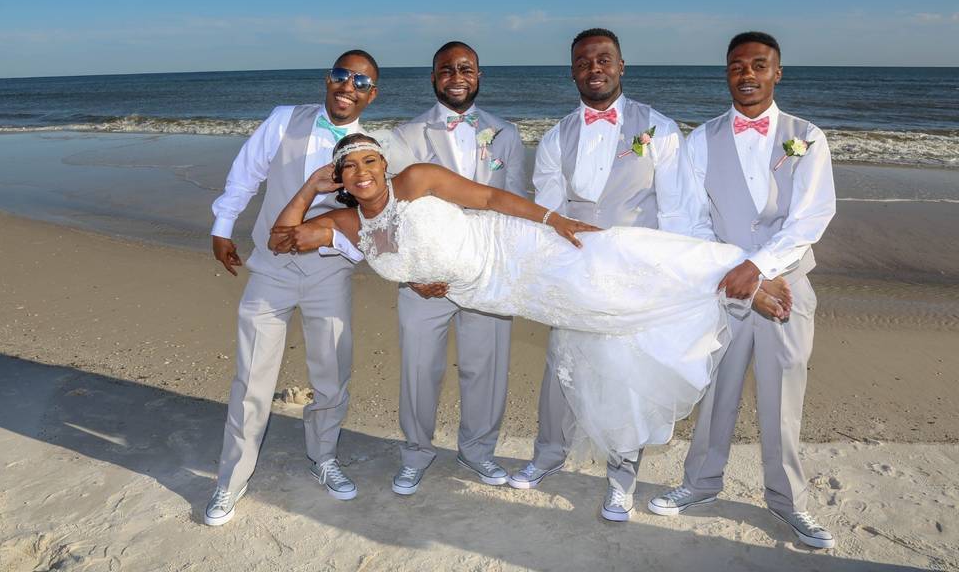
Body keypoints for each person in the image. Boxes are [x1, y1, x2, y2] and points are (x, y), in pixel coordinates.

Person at [269, 135, 793, 501]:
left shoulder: (417, 179)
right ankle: (730, 289)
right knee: (601, 311)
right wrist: (309, 189)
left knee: (617, 260)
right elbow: (280, 238)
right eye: (349, 167)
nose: (361, 173)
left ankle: (739, 276)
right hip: (498, 293)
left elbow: (491, 196)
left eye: (369, 162)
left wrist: (553, 218)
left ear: (385, 165)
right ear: (340, 177)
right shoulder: (345, 220)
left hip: (519, 249)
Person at [647, 31, 837, 550]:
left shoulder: (808, 136)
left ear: (778, 72)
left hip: (787, 289)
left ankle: (790, 504)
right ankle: (700, 484)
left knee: (782, 400)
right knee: (715, 393)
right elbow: (688, 218)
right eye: (737, 66)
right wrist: (741, 275)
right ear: (726, 73)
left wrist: (761, 268)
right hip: (724, 286)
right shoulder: (701, 139)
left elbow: (810, 217)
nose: (747, 74)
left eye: (759, 65)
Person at [519, 27, 689, 521]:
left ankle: (622, 477)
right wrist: (548, 273)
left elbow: (677, 209)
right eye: (584, 61)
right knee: (562, 365)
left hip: (636, 272)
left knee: (625, 376)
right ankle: (548, 455)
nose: (594, 68)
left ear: (621, 66)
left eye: (604, 59)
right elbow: (548, 213)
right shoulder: (555, 137)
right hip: (576, 270)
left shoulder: (659, 128)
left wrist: (667, 272)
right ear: (573, 70)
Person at [203, 50, 379, 526]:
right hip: (271, 267)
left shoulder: (376, 146)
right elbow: (247, 173)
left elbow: (377, 218)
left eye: (360, 81)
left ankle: (323, 458)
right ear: (328, 79)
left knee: (331, 374)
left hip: (331, 272)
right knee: (251, 378)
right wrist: (223, 226)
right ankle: (231, 479)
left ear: (371, 93)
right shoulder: (285, 120)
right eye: (342, 75)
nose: (349, 86)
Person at [378, 42, 526, 494]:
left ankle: (478, 451)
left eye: (466, 68)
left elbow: (516, 207)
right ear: (433, 77)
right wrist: (408, 274)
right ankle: (416, 453)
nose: (456, 76)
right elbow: (388, 215)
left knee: (486, 367)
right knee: (420, 370)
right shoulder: (405, 136)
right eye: (447, 69)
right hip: (425, 279)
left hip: (487, 275)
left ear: (479, 75)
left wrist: (507, 272)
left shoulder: (506, 134)